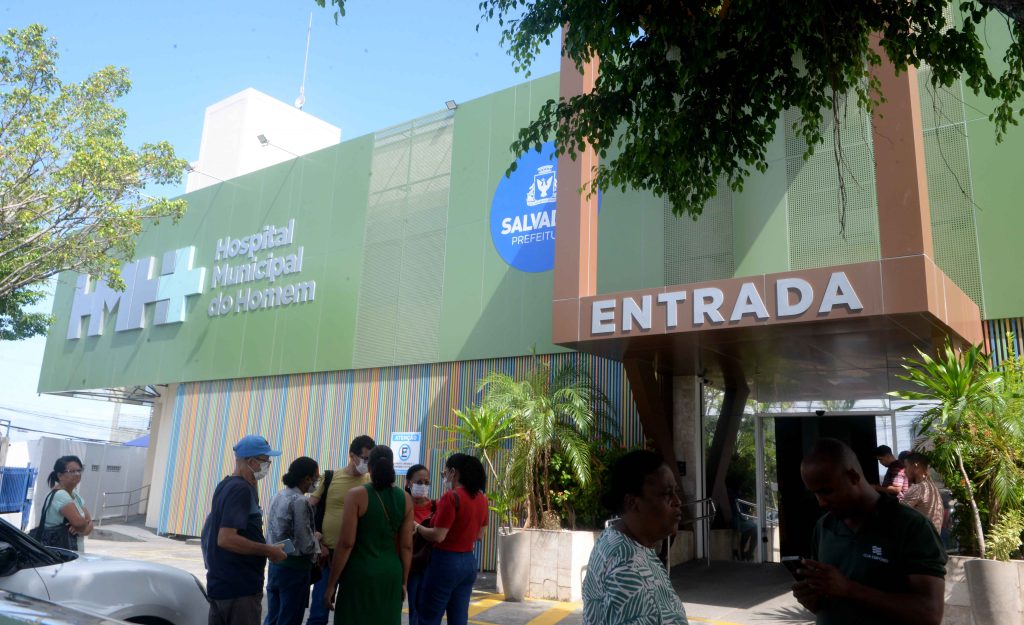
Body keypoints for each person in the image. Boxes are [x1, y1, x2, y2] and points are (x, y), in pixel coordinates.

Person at [793, 438, 946, 625]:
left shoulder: (911, 526)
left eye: (827, 491)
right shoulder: (824, 526)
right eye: (815, 493)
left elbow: (930, 614)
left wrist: (849, 589)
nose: (821, 502)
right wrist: (813, 600)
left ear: (853, 477)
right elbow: (827, 604)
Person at [581, 450, 688, 625]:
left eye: (676, 492)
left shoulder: (619, 538)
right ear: (632, 502)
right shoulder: (626, 572)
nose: (677, 501)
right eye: (666, 494)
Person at [202, 435, 288, 625]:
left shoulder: (226, 485)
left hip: (223, 585)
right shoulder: (240, 490)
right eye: (266, 461)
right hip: (239, 590)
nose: (268, 466)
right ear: (251, 462)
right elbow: (226, 539)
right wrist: (269, 550)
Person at [324, 445, 413, 625]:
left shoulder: (356, 495)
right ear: (391, 466)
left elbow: (346, 543)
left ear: (370, 468)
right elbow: (406, 546)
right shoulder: (405, 498)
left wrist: (332, 583)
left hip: (359, 573)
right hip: (391, 573)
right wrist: (403, 581)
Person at [306, 434, 374, 625]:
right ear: (352, 456)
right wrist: (316, 540)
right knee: (318, 612)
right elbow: (308, 509)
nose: (368, 463)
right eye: (365, 458)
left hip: (356, 556)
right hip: (327, 555)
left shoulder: (371, 483)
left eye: (371, 459)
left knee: (350, 614)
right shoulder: (330, 477)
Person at [414, 453, 489, 625]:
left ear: (453, 472)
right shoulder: (482, 499)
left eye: (445, 472)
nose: (445, 477)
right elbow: (480, 535)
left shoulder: (451, 497)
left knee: (429, 617)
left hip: (444, 562)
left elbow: (438, 536)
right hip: (469, 562)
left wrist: (417, 527)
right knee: (459, 618)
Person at [264, 457, 323, 625]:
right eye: (316, 477)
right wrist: (317, 538)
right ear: (307, 478)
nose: (316, 482)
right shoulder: (301, 501)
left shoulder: (278, 495)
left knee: (273, 618)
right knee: (289, 619)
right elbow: (306, 545)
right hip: (295, 569)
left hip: (275, 566)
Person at [42, 455, 93, 551]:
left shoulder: (75, 494)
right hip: (62, 553)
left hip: (75, 550)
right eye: (72, 471)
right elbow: (80, 524)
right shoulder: (60, 495)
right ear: (60, 475)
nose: (77, 474)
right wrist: (84, 525)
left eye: (79, 470)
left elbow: (89, 524)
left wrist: (83, 527)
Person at [405, 464, 434, 625]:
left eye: (426, 482)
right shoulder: (402, 504)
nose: (423, 486)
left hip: (428, 565)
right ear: (409, 482)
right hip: (407, 564)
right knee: (413, 610)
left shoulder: (435, 507)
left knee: (425, 609)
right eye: (419, 482)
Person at [901, 452, 944, 533]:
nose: (904, 471)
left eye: (906, 466)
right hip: (932, 538)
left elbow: (899, 515)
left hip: (920, 539)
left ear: (915, 466)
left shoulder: (918, 488)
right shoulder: (932, 487)